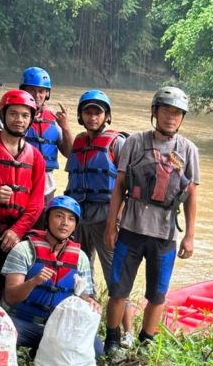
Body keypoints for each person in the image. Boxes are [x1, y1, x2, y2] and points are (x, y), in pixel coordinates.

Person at [103, 86, 199, 352]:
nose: (171, 117)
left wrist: (190, 236)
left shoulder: (188, 150)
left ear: (182, 118)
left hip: (165, 235)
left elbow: (191, 195)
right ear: (155, 112)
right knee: (118, 290)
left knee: (157, 294)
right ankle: (112, 339)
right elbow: (120, 186)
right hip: (131, 230)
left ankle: (146, 341)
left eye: (177, 113)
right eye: (167, 110)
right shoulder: (135, 142)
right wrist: (111, 226)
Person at [63, 90, 135, 345]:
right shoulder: (80, 141)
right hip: (78, 216)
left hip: (106, 217)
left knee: (116, 276)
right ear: (81, 116)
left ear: (107, 116)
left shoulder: (118, 143)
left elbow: (130, 185)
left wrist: (116, 222)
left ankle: (127, 332)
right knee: (80, 271)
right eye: (88, 112)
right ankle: (86, 322)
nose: (92, 117)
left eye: (97, 112)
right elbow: (72, 160)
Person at [1, 195, 102, 358]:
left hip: (60, 327)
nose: (65, 223)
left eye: (71, 219)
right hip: (22, 322)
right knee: (0, 336)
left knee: (96, 349)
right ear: (47, 219)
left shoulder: (80, 257)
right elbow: (11, 297)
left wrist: (91, 302)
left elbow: (85, 296)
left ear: (75, 225)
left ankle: (41, 353)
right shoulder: (24, 249)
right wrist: (33, 282)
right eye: (59, 216)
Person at [0, 90, 46, 300]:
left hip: (14, 234)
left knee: (3, 290)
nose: (19, 120)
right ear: (3, 115)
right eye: (14, 114)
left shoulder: (36, 157)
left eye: (25, 115)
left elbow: (36, 202)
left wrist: (17, 231)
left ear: (31, 119)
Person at [19, 67, 73, 210]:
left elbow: (69, 154)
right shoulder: (11, 115)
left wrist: (66, 127)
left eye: (41, 91)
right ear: (24, 90)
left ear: (47, 93)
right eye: (32, 90)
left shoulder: (54, 119)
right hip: (18, 183)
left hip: (46, 187)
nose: (37, 95)